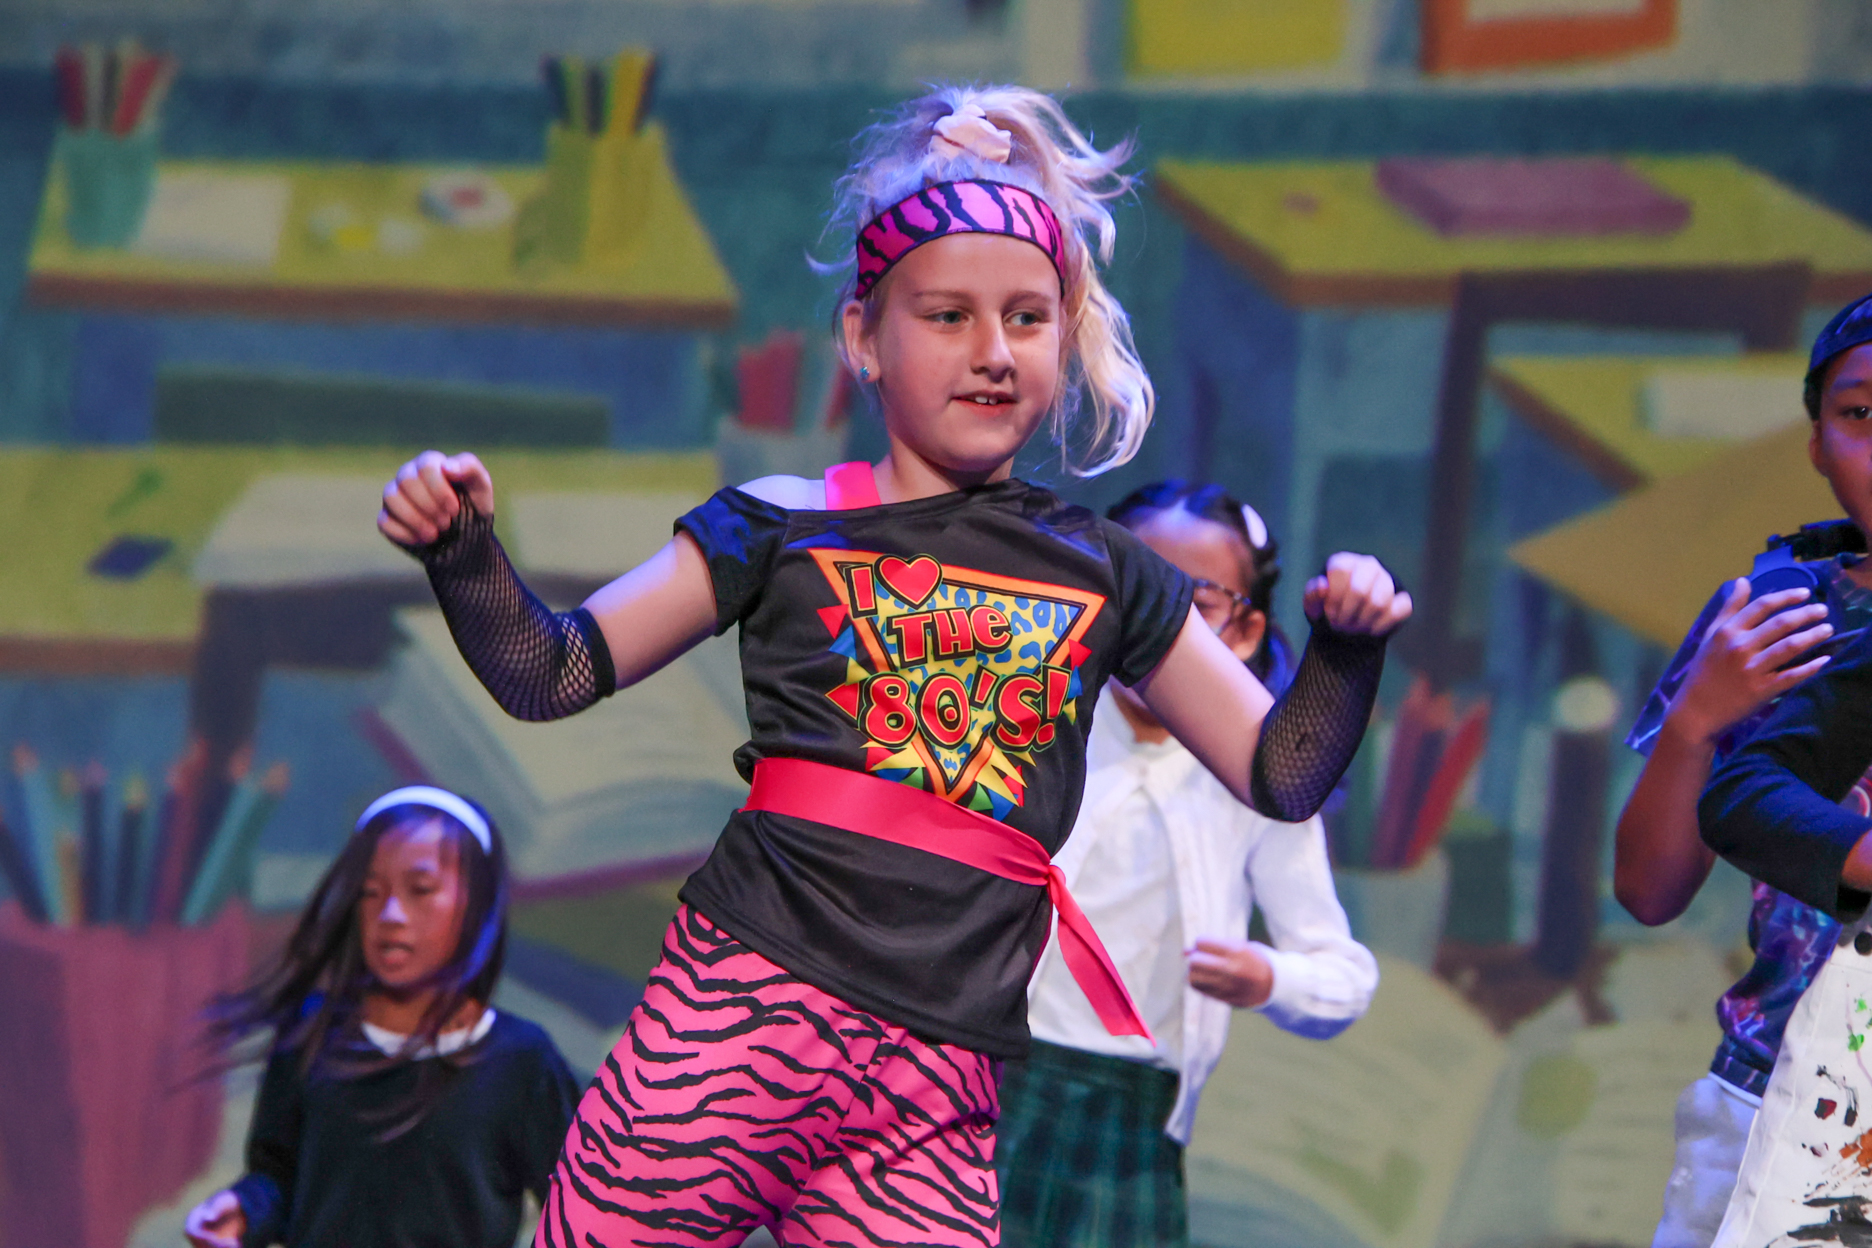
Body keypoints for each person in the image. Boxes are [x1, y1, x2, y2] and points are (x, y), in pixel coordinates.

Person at [375, 84, 1410, 1247]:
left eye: (1027, 318)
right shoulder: (783, 523)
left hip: (935, 1087)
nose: (993, 352)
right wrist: (462, 552)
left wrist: (1347, 648)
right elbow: (553, 672)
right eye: (949, 316)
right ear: (864, 337)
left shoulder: (1109, 574)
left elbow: (1282, 771)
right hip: (738, 1020)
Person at [994, 480, 1378, 1248]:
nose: (1153, 631)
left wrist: (1269, 977)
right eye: (1130, 597)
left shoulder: (1264, 780)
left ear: (1244, 628)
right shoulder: (1033, 721)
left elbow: (1343, 974)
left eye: (1192, 607)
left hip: (1136, 1111)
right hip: (992, 1075)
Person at [1615, 292, 1872, 1248]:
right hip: (1771, 1090)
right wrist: (1697, 720)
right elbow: (1648, 891)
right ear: (1816, 445)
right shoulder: (1774, 611)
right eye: (1860, 413)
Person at [182, 786, 579, 1248]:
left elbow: (581, 1208)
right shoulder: (312, 1033)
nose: (389, 913)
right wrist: (243, 1211)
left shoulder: (522, 1063)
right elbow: (280, 1175)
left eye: (420, 889)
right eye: (370, 892)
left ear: (477, 901)